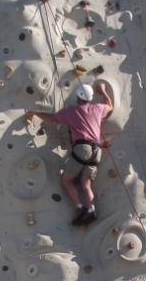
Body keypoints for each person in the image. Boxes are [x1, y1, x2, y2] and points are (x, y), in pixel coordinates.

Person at [26, 81, 113, 226]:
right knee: (86, 183)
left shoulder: (71, 111)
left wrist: (35, 113)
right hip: (96, 151)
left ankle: (80, 208)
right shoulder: (97, 109)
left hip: (82, 149)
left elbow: (52, 118)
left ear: (78, 97)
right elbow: (110, 106)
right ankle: (91, 210)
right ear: (90, 98)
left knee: (66, 180)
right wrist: (103, 90)